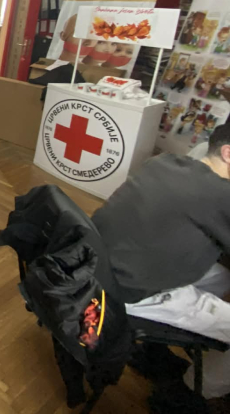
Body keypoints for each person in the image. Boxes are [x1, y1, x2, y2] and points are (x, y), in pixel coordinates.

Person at [92, 123, 230, 397]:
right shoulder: (221, 196)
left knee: (222, 276)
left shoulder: (164, 162)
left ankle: (154, 349)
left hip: (99, 267)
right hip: (127, 294)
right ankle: (187, 394)